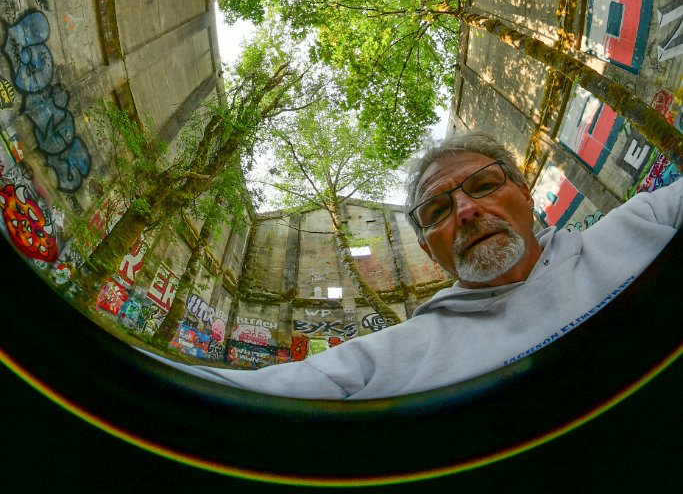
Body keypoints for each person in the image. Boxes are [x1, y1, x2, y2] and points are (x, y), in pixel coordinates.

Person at [140, 131, 683, 399]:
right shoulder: (394, 354)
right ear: (429, 248)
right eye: (438, 211)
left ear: (525, 193)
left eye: (485, 186)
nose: (467, 212)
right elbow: (248, 393)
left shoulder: (643, 225)